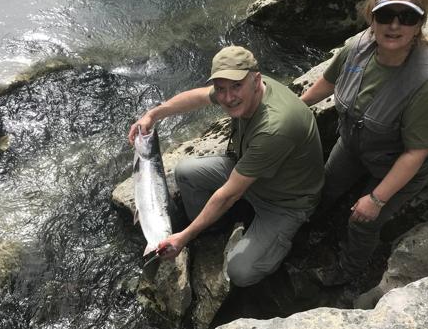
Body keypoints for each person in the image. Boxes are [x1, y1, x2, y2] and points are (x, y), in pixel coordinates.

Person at [128, 45, 324, 287]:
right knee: (185, 172)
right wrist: (153, 115)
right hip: (252, 174)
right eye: (221, 89)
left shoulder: (275, 127)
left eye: (236, 87)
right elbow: (198, 97)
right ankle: (217, 226)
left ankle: (278, 244)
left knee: (240, 271)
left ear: (256, 80)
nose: (228, 98)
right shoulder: (247, 84)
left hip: (285, 202)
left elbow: (228, 195)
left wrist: (184, 237)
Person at [301, 0, 428, 286]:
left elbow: (415, 153)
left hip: (399, 161)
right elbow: (327, 83)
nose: (394, 25)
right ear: (371, 16)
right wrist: (294, 110)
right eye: (385, 15)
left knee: (362, 221)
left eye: (407, 16)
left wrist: (377, 199)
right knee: (326, 185)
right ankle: (309, 229)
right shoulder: (358, 47)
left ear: (420, 23)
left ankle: (349, 273)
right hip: (356, 143)